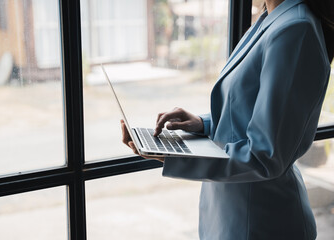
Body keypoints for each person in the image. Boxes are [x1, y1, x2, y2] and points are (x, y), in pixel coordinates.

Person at [121, 0, 334, 239]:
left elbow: (265, 156)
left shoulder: (296, 29)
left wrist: (177, 158)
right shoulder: (271, 18)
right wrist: (204, 124)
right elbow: (251, 110)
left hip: (262, 222)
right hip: (230, 214)